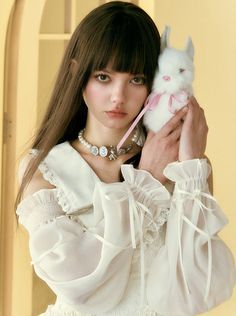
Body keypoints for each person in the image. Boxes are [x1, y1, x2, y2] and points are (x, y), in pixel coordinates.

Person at [16, 1, 235, 315]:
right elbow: (78, 287)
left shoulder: (185, 168)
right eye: (103, 77)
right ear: (78, 75)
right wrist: (144, 185)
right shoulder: (45, 169)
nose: (118, 96)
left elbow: (196, 290)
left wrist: (192, 164)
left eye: (136, 80)